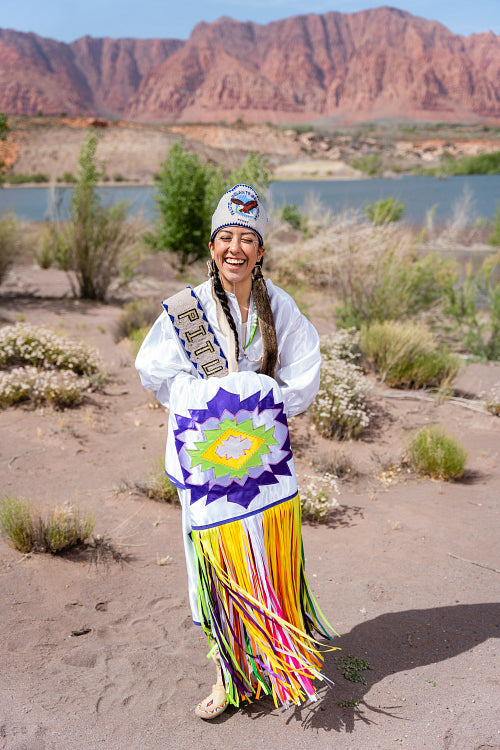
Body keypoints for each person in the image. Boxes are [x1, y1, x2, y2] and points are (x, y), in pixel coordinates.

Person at [136, 184, 333, 720]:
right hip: (206, 467)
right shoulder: (187, 309)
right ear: (211, 244)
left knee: (267, 564)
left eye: (248, 238)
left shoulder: (280, 307)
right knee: (217, 568)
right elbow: (154, 370)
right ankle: (227, 673)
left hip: (262, 467)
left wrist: (264, 396)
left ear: (261, 250)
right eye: (226, 236)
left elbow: (304, 370)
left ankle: (275, 662)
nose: (236, 248)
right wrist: (216, 398)